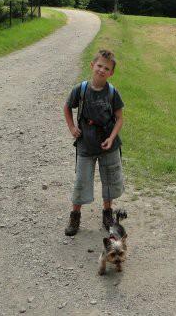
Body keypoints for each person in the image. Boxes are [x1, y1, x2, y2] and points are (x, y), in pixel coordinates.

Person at [63, 49, 125, 236]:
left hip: (108, 146)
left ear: (111, 72)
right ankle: (75, 215)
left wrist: (112, 137)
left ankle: (107, 213)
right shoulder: (80, 90)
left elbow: (120, 118)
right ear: (92, 65)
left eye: (106, 68)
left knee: (109, 180)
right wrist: (72, 128)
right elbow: (67, 107)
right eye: (99, 66)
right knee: (82, 180)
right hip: (85, 145)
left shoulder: (113, 93)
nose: (101, 70)